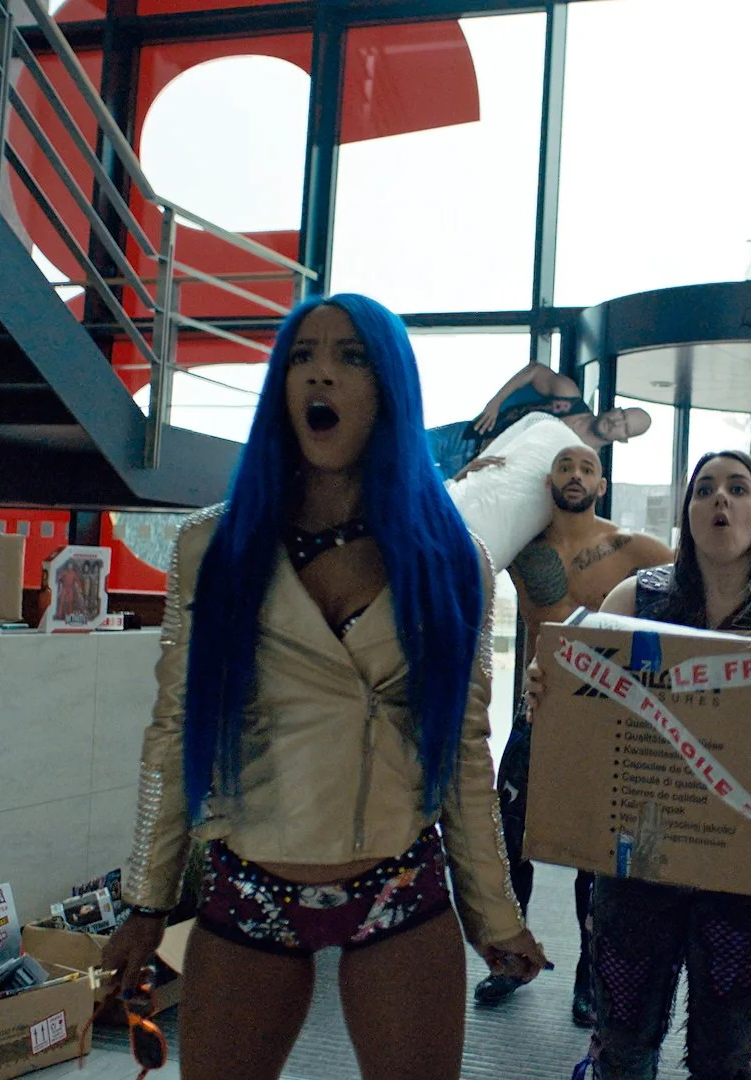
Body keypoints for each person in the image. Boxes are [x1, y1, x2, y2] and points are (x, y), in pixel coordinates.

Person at [101, 294, 547, 1080]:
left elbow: (462, 750)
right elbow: (173, 731)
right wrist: (146, 899)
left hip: (398, 886)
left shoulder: (452, 559)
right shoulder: (214, 547)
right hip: (250, 885)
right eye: (302, 357)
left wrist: (494, 913)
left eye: (351, 357)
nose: (321, 375)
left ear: (389, 389)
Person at [524, 451, 751, 1080]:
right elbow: (572, 687)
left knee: (725, 1058)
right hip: (637, 868)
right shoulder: (637, 597)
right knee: (623, 1048)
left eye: (738, 488)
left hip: (746, 876)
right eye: (704, 489)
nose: (720, 499)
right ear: (688, 513)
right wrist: (545, 688)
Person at [474, 445, 675, 1024]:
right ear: (550, 480)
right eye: (566, 466)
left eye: (587, 468)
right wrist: (476, 475)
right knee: (509, 840)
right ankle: (510, 961)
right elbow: (461, 534)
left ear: (601, 484)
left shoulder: (629, 547)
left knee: (595, 853)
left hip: (602, 721)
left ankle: (592, 977)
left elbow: (695, 571)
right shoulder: (522, 548)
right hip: (537, 713)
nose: (576, 475)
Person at [426, 360, 653, 480]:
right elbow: (535, 370)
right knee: (407, 444)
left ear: (623, 439)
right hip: (469, 435)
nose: (617, 423)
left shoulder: (581, 462)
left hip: (470, 475)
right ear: (615, 409)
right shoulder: (569, 398)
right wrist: (495, 403)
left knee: (410, 489)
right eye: (622, 415)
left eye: (626, 428)